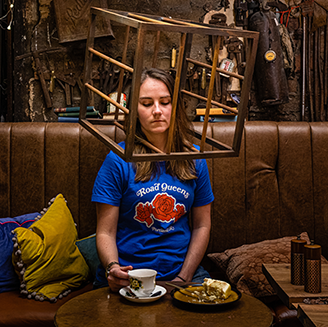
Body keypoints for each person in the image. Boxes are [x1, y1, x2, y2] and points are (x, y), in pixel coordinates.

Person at [92, 67, 214, 292]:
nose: (157, 111)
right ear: (134, 111)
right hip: (129, 274)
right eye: (147, 104)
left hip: (184, 272)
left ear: (174, 107)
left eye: (165, 102)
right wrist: (113, 267)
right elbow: (105, 232)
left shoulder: (195, 159)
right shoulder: (117, 160)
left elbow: (202, 225)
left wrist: (182, 278)